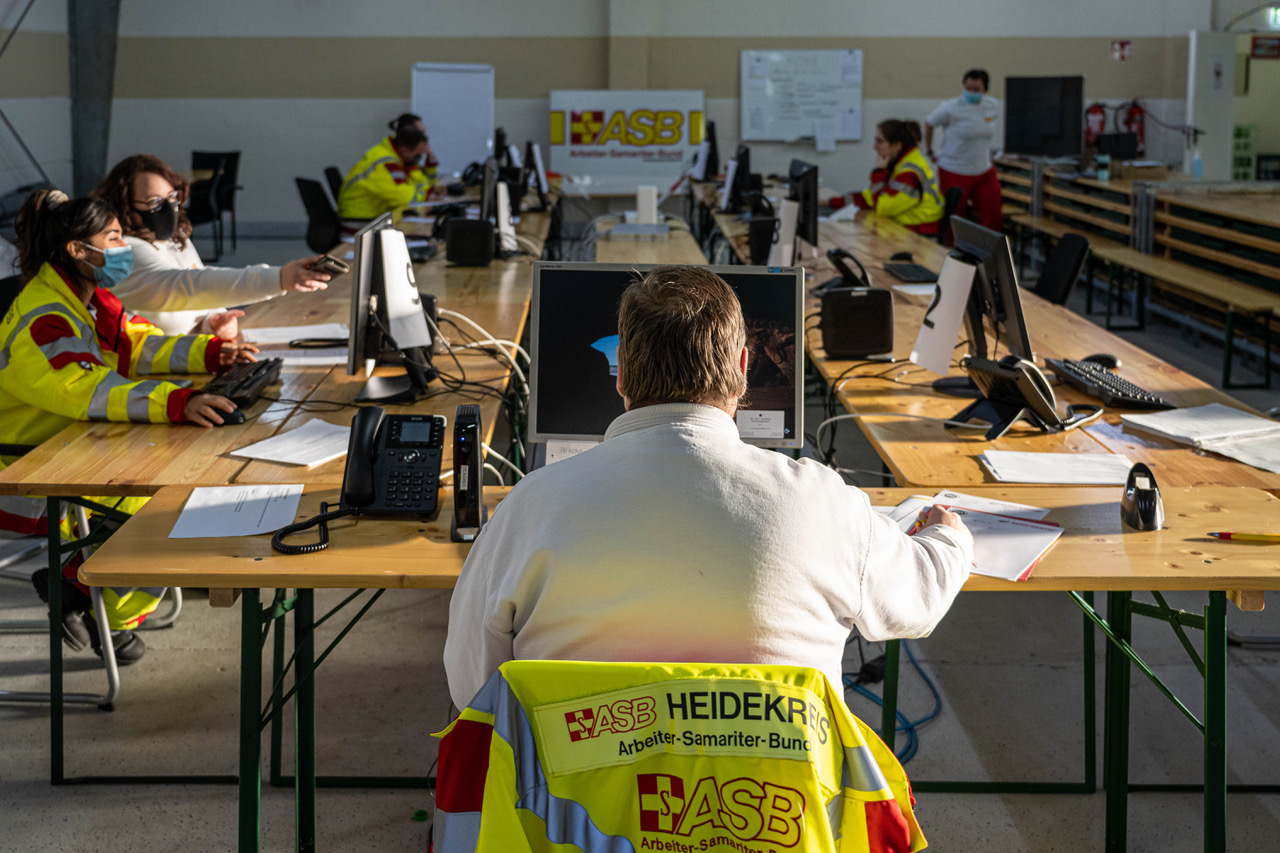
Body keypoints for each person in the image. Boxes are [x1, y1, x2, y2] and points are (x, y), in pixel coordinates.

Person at [443, 265, 973, 710]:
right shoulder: (823, 501)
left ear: (621, 373)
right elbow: (917, 603)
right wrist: (948, 538)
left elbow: (472, 688)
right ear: (744, 369)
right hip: (774, 819)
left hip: (577, 822)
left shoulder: (529, 507)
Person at [0, 190, 256, 663]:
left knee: (174, 488)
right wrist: (178, 401)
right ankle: (93, 601)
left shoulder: (87, 298)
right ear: (78, 250)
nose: (123, 247)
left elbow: (138, 346)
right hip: (28, 467)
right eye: (113, 237)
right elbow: (88, 388)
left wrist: (208, 355)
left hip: (76, 445)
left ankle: (78, 585)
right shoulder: (45, 316)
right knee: (167, 505)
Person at [94, 154, 331, 337]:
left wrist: (212, 321)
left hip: (192, 357)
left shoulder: (175, 239)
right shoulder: (124, 250)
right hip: (151, 369)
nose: (168, 208)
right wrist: (277, 278)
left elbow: (196, 296)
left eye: (172, 197)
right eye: (154, 202)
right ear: (124, 206)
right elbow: (184, 287)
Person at [829, 120, 945, 236]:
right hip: (906, 228)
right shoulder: (902, 163)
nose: (875, 147)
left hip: (920, 234)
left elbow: (883, 208)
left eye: (880, 141)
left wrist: (879, 174)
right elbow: (869, 197)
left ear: (897, 146)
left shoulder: (909, 173)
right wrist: (830, 202)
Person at [924, 68, 1003, 233]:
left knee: (993, 214)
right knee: (954, 219)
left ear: (985, 89)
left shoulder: (992, 105)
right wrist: (930, 151)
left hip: (982, 169)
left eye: (976, 89)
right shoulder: (951, 107)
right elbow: (929, 123)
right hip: (954, 169)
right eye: (968, 88)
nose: (971, 92)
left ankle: (989, 255)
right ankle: (949, 254)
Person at [337, 113, 441, 228]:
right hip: (360, 224)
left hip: (376, 218)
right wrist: (427, 193)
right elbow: (405, 198)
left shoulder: (397, 157)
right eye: (417, 154)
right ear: (405, 150)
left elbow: (419, 183)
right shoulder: (385, 163)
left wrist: (429, 190)